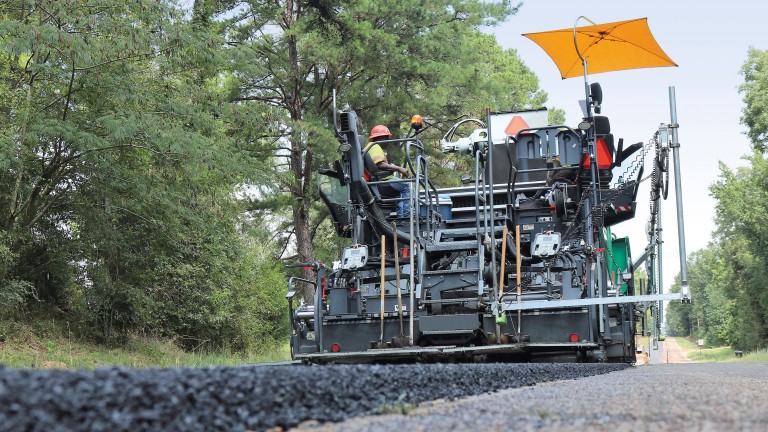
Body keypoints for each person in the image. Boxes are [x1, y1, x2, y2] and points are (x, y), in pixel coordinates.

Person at [364, 125, 410, 217]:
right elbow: (380, 164)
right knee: (406, 185)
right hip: (382, 182)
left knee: (399, 190)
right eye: (387, 137)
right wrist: (399, 168)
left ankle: (402, 217)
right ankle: (407, 216)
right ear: (381, 138)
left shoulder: (370, 147)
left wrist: (391, 170)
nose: (389, 140)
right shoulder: (375, 146)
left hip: (379, 181)